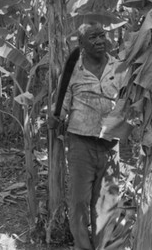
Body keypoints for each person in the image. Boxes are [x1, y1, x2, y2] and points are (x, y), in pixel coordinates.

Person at [49, 21, 126, 250]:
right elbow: (63, 100)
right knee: (79, 202)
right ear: (81, 43)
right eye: (93, 37)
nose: (100, 41)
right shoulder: (74, 69)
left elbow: (128, 100)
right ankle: (82, 246)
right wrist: (56, 118)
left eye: (102, 35)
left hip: (110, 144)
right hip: (80, 142)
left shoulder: (118, 67)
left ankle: (101, 246)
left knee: (106, 202)